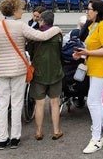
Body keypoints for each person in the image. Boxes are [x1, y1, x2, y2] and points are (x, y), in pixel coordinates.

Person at [0, 0, 62, 150]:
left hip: (1, 69)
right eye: (21, 9)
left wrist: (0, 59)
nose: (22, 11)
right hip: (18, 69)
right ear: (14, 10)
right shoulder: (20, 26)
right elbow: (41, 35)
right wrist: (56, 29)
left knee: (2, 103)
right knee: (16, 103)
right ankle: (15, 138)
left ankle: (1, 139)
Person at [73, 0, 103, 154]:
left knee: (92, 102)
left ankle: (96, 138)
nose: (87, 11)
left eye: (90, 9)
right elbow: (91, 46)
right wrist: (82, 54)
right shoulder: (93, 25)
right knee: (97, 102)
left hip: (101, 69)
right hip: (94, 67)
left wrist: (87, 53)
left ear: (97, 11)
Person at [29, 11, 64, 141]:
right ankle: (56, 130)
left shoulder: (35, 35)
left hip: (39, 72)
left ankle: (38, 131)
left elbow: (30, 52)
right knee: (55, 102)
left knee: (39, 103)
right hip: (55, 71)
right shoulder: (58, 36)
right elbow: (61, 52)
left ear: (42, 21)